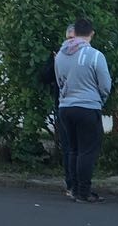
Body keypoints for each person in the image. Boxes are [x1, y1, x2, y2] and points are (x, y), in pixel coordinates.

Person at [55, 17, 112, 203]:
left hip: (65, 107)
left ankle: (73, 187)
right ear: (91, 33)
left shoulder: (61, 55)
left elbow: (59, 81)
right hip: (88, 106)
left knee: (73, 149)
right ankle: (84, 191)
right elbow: (105, 84)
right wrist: (100, 99)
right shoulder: (95, 55)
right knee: (87, 151)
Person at [39, 23, 77, 197]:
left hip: (80, 104)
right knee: (68, 147)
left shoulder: (85, 54)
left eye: (73, 38)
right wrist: (54, 63)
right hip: (62, 105)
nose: (70, 42)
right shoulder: (59, 54)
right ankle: (71, 183)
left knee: (80, 147)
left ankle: (81, 183)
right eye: (68, 38)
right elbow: (44, 78)